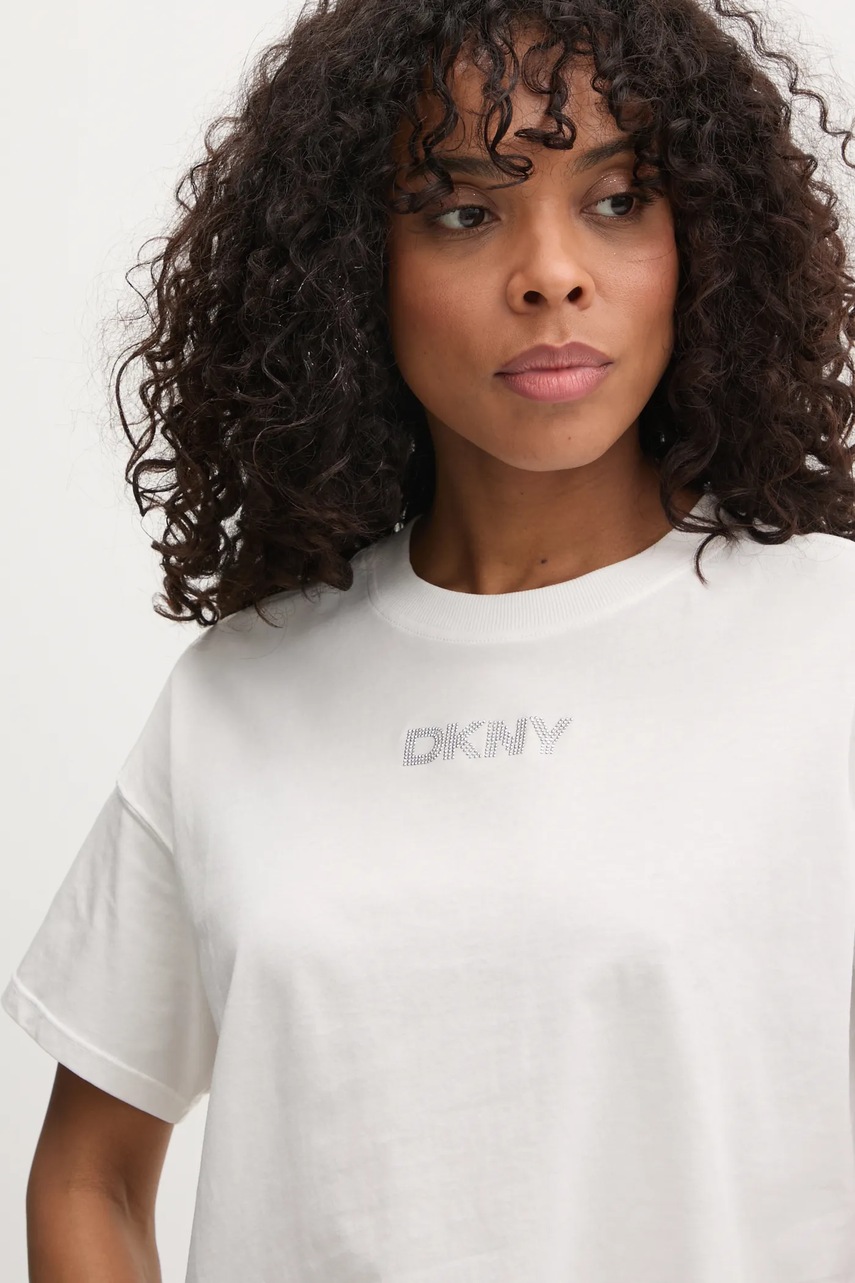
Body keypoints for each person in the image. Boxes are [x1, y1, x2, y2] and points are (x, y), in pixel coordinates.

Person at [6, 0, 855, 1279]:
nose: (551, 273)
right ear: (355, 269)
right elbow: (89, 1175)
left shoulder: (830, 646)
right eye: (464, 211)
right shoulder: (241, 697)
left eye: (618, 199)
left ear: (705, 240)